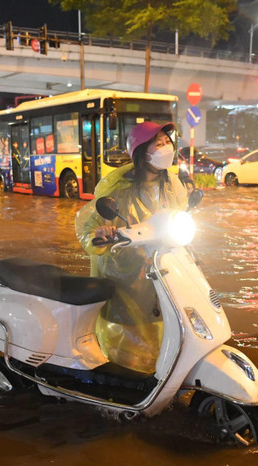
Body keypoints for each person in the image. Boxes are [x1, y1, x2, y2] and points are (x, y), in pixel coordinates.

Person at [75, 121, 188, 373]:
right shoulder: (118, 189)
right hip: (125, 276)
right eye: (158, 144)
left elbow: (178, 217)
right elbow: (87, 224)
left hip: (162, 272)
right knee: (129, 350)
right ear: (141, 152)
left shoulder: (172, 184)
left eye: (167, 142)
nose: (166, 148)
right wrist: (101, 235)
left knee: (165, 330)